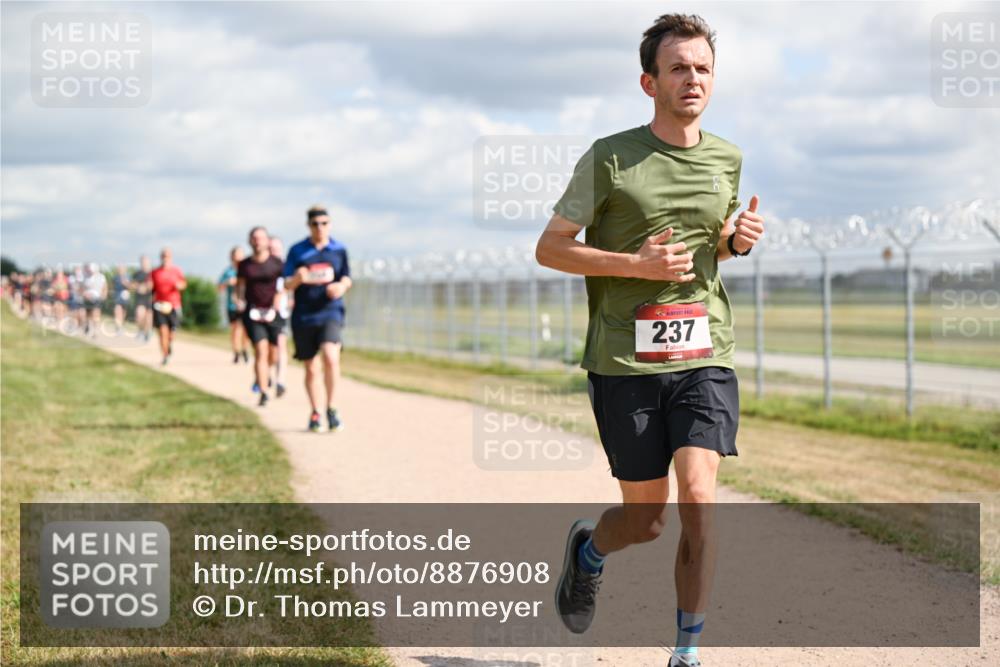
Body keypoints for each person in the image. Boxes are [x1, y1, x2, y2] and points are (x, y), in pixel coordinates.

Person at [535, 14, 765, 667]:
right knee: (647, 520)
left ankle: (686, 652)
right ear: (649, 82)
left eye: (703, 68)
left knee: (699, 497)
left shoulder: (726, 157)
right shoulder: (611, 156)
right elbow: (551, 248)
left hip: (704, 352)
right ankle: (589, 551)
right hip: (625, 360)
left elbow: (710, 246)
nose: (693, 78)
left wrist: (736, 241)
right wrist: (634, 266)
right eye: (678, 68)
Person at [283, 205, 352, 432]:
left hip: (330, 311)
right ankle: (315, 411)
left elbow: (346, 278)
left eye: (324, 223)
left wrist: (341, 287)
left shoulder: (339, 250)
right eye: (315, 224)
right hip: (304, 315)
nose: (320, 227)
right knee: (311, 367)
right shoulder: (298, 251)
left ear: (330, 224)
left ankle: (332, 408)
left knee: (331, 357)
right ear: (308, 226)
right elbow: (286, 284)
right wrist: (297, 279)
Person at [237, 227, 284, 407]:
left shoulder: (277, 263)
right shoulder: (245, 264)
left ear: (266, 241)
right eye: (254, 238)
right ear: (250, 241)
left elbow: (283, 285)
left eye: (261, 238)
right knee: (260, 350)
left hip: (273, 311)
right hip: (253, 312)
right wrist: (239, 300)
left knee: (273, 353)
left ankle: (264, 375)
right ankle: (263, 391)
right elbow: (240, 286)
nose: (257, 241)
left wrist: (279, 300)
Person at [150, 248, 187, 365]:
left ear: (171, 257)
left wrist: (179, 285)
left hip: (173, 305)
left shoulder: (176, 271)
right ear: (161, 257)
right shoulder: (155, 272)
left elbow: (184, 284)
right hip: (159, 305)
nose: (165, 258)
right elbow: (151, 288)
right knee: (162, 331)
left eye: (167, 256)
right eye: (163, 256)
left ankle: (169, 344)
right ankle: (165, 356)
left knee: (171, 334)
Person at [219, 246, 250, 364]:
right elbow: (219, 287)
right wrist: (227, 282)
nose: (238, 258)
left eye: (240, 255)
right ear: (232, 257)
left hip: (246, 304)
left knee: (246, 330)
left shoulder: (248, 270)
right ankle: (236, 352)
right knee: (235, 329)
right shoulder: (228, 272)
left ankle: (245, 349)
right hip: (232, 305)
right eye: (236, 256)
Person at [269, 236, 292, 398]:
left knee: (281, 345)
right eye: (271, 249)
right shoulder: (262, 267)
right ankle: (266, 373)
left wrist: (291, 298)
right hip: (263, 313)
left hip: (281, 313)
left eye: (277, 249)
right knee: (269, 350)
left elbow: (292, 285)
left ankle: (280, 381)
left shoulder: (287, 267)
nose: (274, 252)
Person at [81, 263, 107, 338]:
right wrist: (84, 294)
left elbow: (105, 287)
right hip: (87, 299)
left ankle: (95, 331)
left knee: (96, 314)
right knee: (87, 314)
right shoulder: (85, 277)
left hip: (97, 298)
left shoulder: (101, 277)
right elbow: (82, 288)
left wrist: (104, 296)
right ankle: (87, 325)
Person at [132, 256, 153, 341]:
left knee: (148, 318)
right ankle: (140, 331)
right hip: (140, 298)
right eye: (142, 262)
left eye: (146, 262)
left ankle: (147, 332)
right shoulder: (137, 274)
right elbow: (133, 284)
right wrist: (138, 287)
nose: (144, 264)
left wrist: (146, 287)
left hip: (150, 298)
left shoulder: (153, 273)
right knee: (139, 315)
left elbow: (154, 285)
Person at [112, 265, 131, 334]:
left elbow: (130, 286)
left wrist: (125, 282)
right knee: (117, 310)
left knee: (123, 312)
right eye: (119, 269)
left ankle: (121, 325)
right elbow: (113, 286)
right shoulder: (115, 277)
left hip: (125, 296)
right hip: (117, 296)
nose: (120, 271)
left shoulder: (128, 277)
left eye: (122, 269)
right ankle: (118, 327)